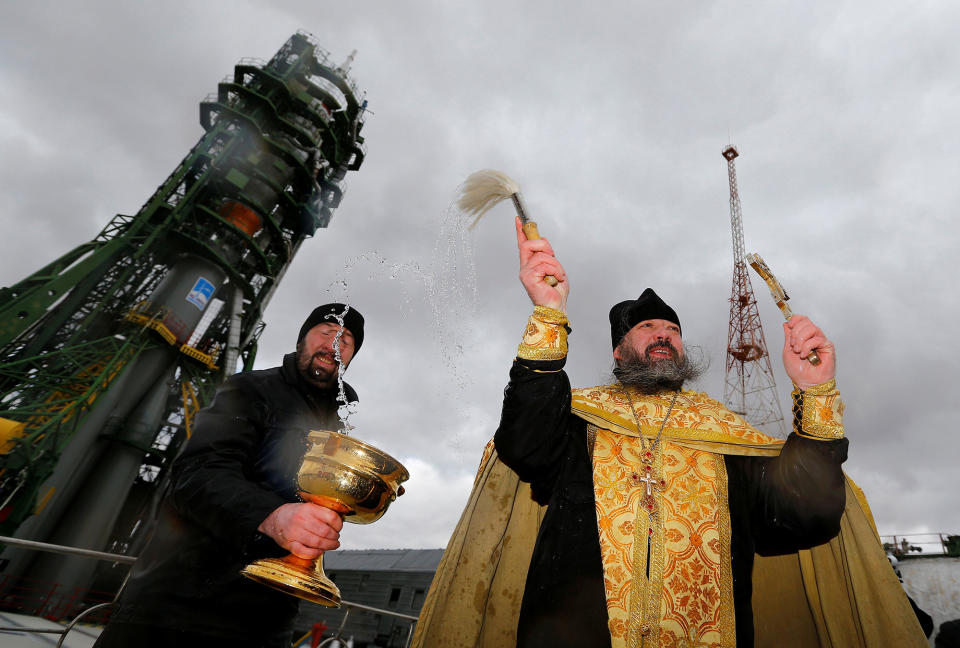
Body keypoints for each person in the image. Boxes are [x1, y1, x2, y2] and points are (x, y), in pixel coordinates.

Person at [411, 219, 929, 648]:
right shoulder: (578, 418)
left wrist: (816, 395)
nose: (664, 334)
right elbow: (523, 443)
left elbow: (800, 518)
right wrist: (549, 314)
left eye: (674, 329)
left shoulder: (725, 433)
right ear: (618, 352)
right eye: (647, 328)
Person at [95, 303, 364, 648]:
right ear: (302, 340)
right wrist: (271, 515)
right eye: (325, 333)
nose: (333, 345)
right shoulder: (251, 389)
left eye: (346, 342)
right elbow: (198, 474)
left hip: (267, 620)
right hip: (177, 609)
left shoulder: (339, 426)